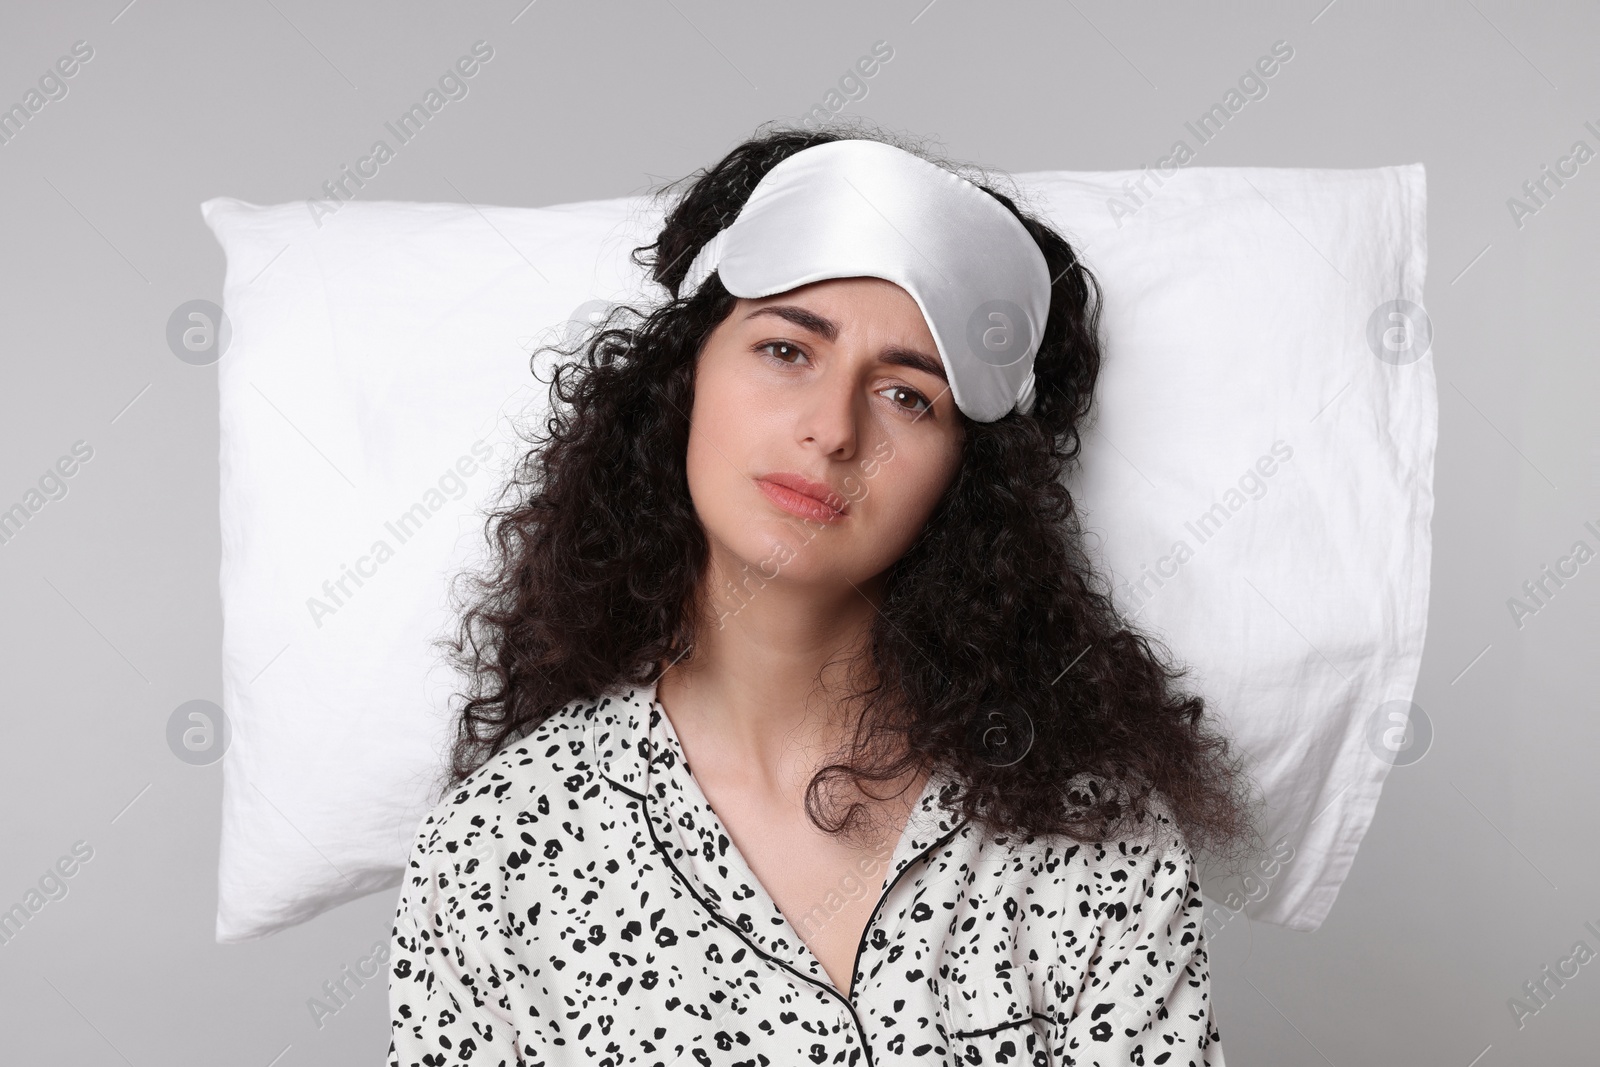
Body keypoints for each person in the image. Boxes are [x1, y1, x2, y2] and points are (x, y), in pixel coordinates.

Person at [387, 122, 1258, 1067]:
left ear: (967, 479)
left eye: (907, 396)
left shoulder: (1096, 834)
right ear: (682, 381)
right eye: (786, 351)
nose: (833, 429)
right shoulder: (496, 853)